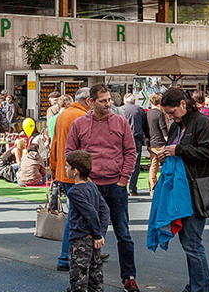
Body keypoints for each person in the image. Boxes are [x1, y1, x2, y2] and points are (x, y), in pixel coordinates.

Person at [65, 84, 139, 292]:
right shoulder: (79, 124)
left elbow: (131, 152)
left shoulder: (120, 122)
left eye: (109, 100)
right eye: (103, 100)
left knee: (123, 233)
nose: (108, 104)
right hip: (90, 187)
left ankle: (129, 277)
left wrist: (123, 179)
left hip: (115, 185)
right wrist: (82, 179)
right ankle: (85, 279)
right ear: (91, 102)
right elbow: (69, 152)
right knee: (84, 232)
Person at [156, 88, 209, 292]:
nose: (171, 117)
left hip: (197, 188)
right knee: (189, 242)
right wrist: (166, 154)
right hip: (182, 189)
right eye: (168, 113)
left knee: (192, 243)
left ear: (183, 104)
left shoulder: (202, 122)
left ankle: (200, 287)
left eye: (172, 112)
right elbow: (174, 148)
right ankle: (196, 286)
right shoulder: (177, 125)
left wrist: (179, 150)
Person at [51, 87, 96, 271]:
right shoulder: (81, 117)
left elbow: (54, 145)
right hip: (76, 174)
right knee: (78, 215)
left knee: (76, 214)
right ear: (88, 101)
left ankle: (76, 255)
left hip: (65, 172)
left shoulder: (63, 115)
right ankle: (67, 257)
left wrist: (55, 170)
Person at [64, 150, 110, 292]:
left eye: (67, 166)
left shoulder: (74, 192)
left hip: (80, 240)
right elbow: (104, 211)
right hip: (93, 241)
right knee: (96, 280)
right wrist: (100, 234)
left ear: (75, 171)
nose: (65, 169)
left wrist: (97, 234)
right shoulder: (92, 187)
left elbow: (90, 213)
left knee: (79, 281)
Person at [121, 93, 147, 196]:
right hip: (136, 138)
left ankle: (122, 187)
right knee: (135, 163)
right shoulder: (139, 110)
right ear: (134, 101)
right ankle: (132, 188)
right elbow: (144, 124)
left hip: (122, 139)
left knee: (122, 162)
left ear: (124, 101)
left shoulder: (120, 110)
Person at [146, 93, 169, 195]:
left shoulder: (147, 113)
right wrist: (168, 141)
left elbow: (145, 130)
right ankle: (162, 187)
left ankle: (152, 188)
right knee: (165, 166)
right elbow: (163, 129)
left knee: (153, 166)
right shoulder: (159, 114)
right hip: (161, 143)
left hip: (152, 143)